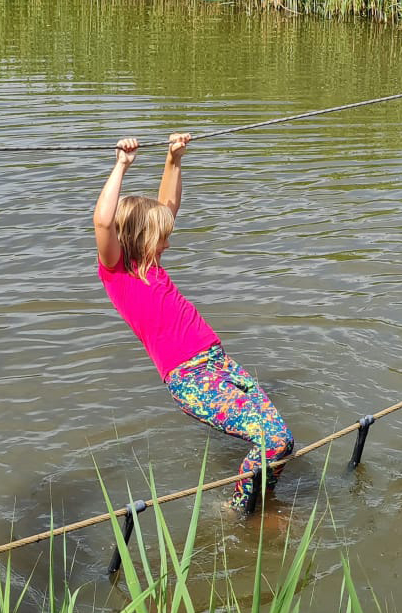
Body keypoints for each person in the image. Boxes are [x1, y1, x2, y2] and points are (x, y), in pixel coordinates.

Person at [93, 133, 293, 513]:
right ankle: (236, 512)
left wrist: (174, 159)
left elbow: (167, 205)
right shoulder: (118, 272)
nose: (167, 244)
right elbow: (103, 223)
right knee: (274, 439)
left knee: (284, 442)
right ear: (139, 237)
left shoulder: (151, 267)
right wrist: (121, 165)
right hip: (191, 378)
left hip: (219, 365)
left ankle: (262, 508)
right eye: (161, 238)